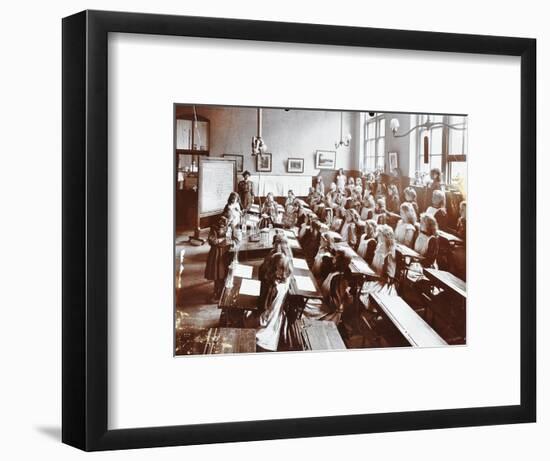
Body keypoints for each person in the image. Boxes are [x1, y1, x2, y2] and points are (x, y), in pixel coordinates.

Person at [256, 253, 292, 351]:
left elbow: (263, 307)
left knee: (246, 317)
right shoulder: (287, 280)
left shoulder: (272, 288)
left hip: (269, 316)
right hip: (277, 314)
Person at [204, 214, 234, 302]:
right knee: (217, 274)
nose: (225, 225)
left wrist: (227, 240)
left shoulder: (228, 226)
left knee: (224, 274)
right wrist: (223, 239)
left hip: (225, 252)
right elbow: (212, 241)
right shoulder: (214, 228)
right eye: (223, 223)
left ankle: (220, 293)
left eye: (227, 223)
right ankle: (217, 293)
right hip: (217, 253)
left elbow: (230, 239)